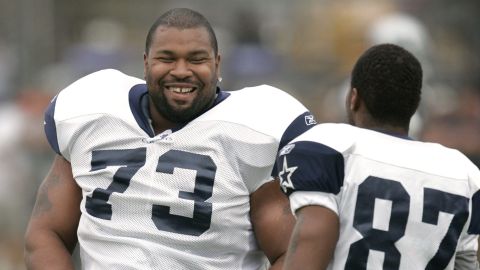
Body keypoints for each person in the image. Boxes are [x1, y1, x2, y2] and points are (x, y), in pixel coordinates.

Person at [24, 8, 317, 270]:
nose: (180, 71)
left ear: (217, 63)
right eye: (166, 58)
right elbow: (45, 233)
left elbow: (291, 254)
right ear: (145, 62)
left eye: (196, 59)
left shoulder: (253, 132)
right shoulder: (92, 114)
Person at [277, 44, 480, 269]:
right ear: (414, 105)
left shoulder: (330, 148)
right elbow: (466, 263)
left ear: (354, 98)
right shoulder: (463, 173)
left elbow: (311, 243)